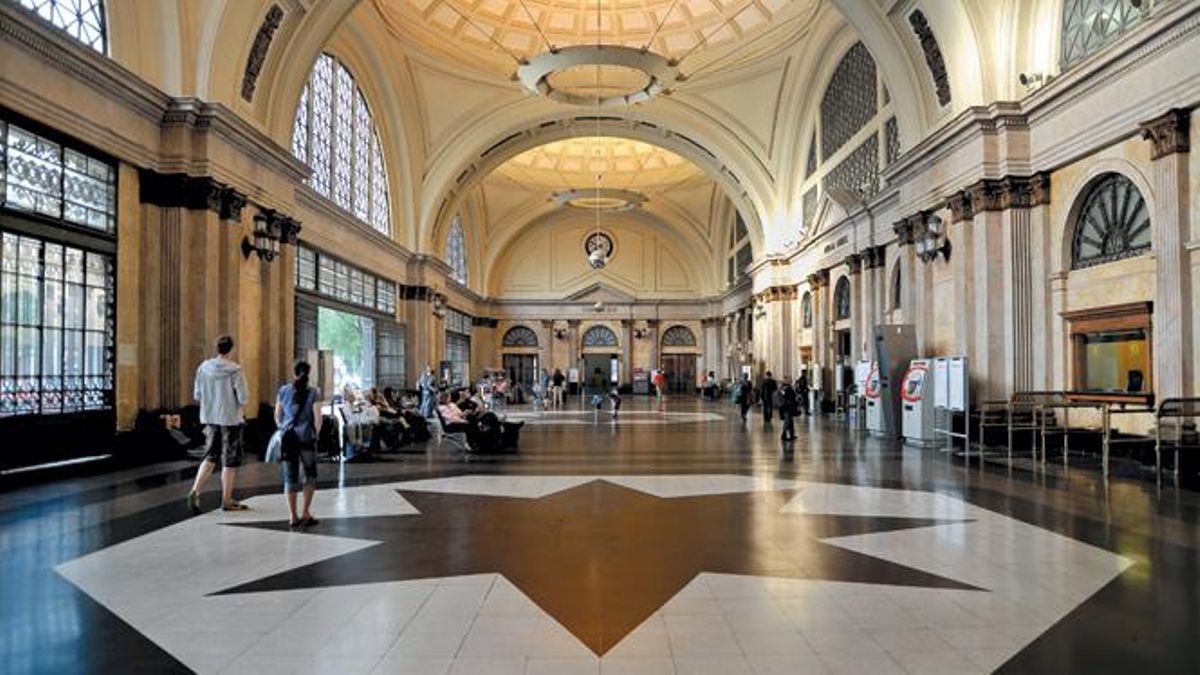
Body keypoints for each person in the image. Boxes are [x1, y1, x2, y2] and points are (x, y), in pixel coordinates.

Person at [187, 335, 250, 514]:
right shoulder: (235, 370)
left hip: (210, 418)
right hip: (231, 420)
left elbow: (197, 395)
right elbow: (244, 397)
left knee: (210, 457)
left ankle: (194, 491)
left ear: (217, 348)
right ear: (232, 349)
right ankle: (226, 500)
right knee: (229, 461)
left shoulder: (203, 368)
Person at [275, 360, 323, 529]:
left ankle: (292, 516)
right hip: (307, 439)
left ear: (293, 372)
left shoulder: (283, 391)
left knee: (290, 478)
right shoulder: (314, 392)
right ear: (308, 374)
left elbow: (277, 416)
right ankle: (305, 512)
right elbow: (318, 418)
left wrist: (283, 429)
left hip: (289, 439)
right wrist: (315, 434)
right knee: (310, 476)